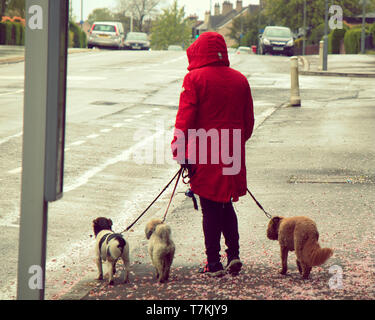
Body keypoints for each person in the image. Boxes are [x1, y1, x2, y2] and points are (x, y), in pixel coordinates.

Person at [171, 32, 254, 277]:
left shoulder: (194, 79)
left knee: (210, 207)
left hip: (204, 153)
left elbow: (185, 119)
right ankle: (234, 254)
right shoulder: (240, 80)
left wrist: (180, 151)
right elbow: (248, 122)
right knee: (226, 204)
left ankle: (213, 263)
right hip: (232, 151)